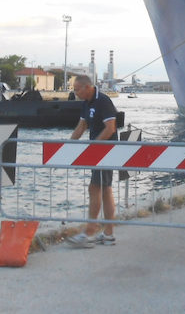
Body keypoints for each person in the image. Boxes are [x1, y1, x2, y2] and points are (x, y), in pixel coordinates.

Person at [67, 74, 118, 248]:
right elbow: (82, 126)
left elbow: (110, 128)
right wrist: (68, 146)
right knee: (105, 190)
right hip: (98, 153)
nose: (75, 92)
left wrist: (93, 146)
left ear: (87, 87)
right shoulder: (86, 104)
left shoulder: (102, 101)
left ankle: (89, 232)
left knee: (95, 188)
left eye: (77, 89)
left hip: (105, 152)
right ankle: (108, 233)